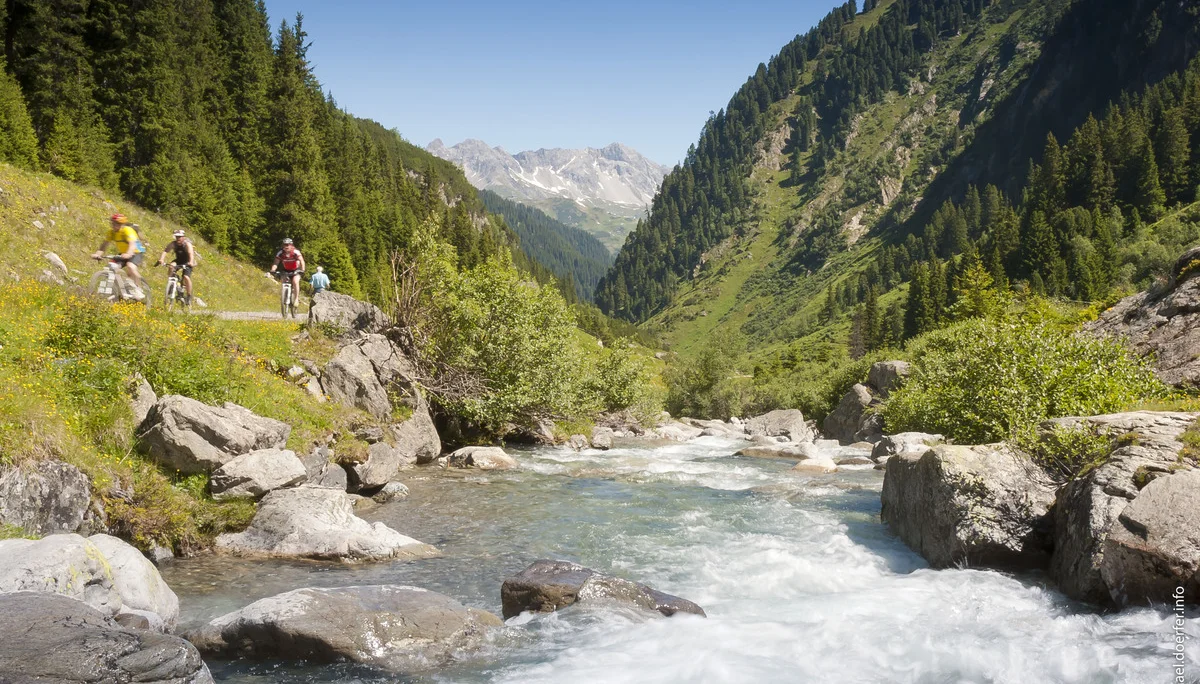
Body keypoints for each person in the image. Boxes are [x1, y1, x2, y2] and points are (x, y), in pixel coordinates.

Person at [92, 213, 145, 300]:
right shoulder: (111, 233)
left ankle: (138, 289)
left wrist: (129, 254)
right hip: (123, 253)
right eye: (112, 223)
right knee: (112, 266)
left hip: (136, 252)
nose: (113, 225)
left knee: (130, 266)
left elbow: (132, 244)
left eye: (115, 223)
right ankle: (119, 289)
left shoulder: (127, 230)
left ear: (121, 224)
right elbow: (104, 245)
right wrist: (98, 254)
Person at [155, 230, 196, 303]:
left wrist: (191, 262)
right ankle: (171, 285)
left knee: (186, 277)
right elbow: (166, 251)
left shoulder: (187, 244)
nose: (178, 238)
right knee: (171, 267)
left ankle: (189, 296)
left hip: (188, 262)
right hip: (179, 260)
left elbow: (191, 253)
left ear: (183, 237)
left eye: (179, 237)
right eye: (176, 237)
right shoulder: (173, 244)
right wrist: (161, 259)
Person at [269, 238, 306, 304]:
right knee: (283, 281)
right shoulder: (280, 253)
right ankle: (285, 296)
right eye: (284, 245)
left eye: (287, 245)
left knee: (295, 281)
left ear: (291, 245)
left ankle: (296, 299)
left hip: (296, 270)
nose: (286, 246)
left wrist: (302, 270)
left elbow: (302, 261)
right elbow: (275, 263)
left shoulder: (295, 252)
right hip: (286, 270)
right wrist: (273, 270)